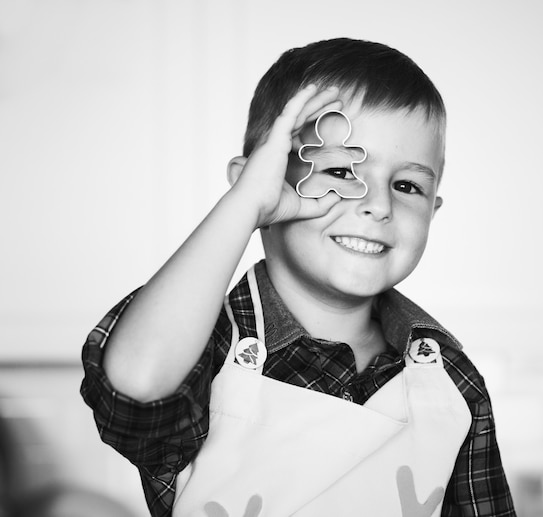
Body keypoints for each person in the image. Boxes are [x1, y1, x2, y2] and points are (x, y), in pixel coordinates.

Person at [81, 38, 516, 517]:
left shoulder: (451, 383)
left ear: (433, 209)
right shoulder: (210, 352)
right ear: (263, 184)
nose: (378, 204)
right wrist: (246, 206)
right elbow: (136, 385)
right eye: (338, 169)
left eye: (407, 185)